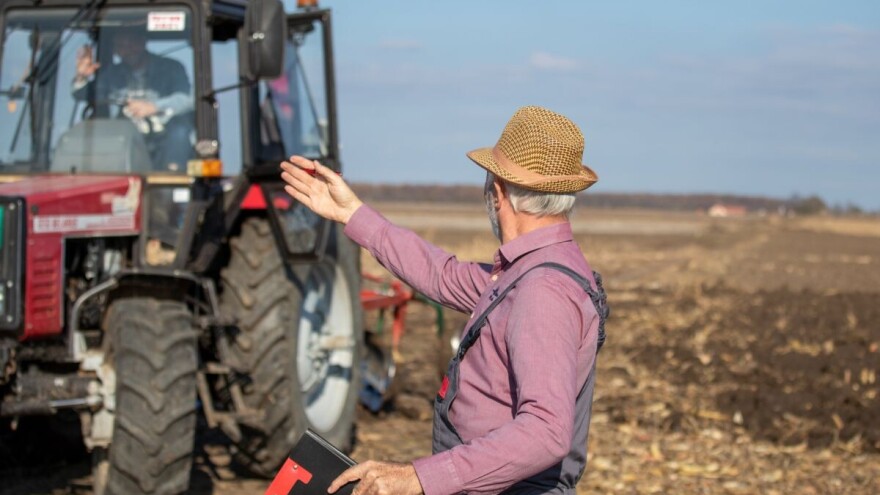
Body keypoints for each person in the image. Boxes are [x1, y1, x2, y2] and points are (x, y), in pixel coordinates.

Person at [280, 106, 608, 495]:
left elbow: (546, 431)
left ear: (498, 192)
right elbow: (442, 275)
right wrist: (352, 213)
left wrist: (419, 478)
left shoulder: (543, 291)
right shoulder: (529, 271)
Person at [72, 28, 194, 171]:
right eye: (121, 46)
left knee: (179, 132)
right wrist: (81, 77)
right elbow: (83, 95)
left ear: (143, 43)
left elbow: (187, 99)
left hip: (163, 137)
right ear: (116, 51)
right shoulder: (111, 74)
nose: (127, 50)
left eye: (131, 44)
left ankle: (173, 178)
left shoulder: (171, 67)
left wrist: (154, 107)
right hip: (123, 139)